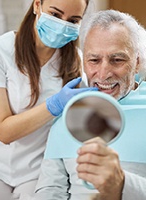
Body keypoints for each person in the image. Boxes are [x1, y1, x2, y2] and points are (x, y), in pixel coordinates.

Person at [0, 0, 98, 200]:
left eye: (73, 20)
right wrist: (54, 104)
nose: (63, 25)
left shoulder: (76, 61)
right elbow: (4, 132)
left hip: (40, 170)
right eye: (55, 15)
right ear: (37, 5)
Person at [34, 10, 146, 200]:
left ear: (137, 62)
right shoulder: (68, 113)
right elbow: (50, 188)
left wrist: (122, 185)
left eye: (117, 60)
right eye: (94, 60)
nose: (103, 74)